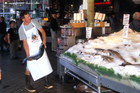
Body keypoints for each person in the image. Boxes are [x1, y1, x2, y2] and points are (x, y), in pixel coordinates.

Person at [18, 11, 53, 92]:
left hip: (39, 47)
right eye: (27, 17)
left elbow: (43, 32)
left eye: (29, 16)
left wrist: (44, 42)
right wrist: (28, 55)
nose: (29, 17)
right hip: (31, 50)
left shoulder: (34, 22)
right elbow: (25, 43)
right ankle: (27, 84)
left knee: (44, 63)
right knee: (29, 67)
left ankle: (47, 83)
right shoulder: (21, 29)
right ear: (23, 19)